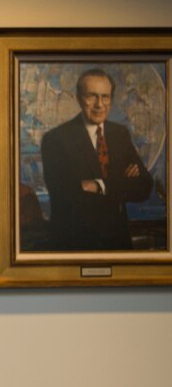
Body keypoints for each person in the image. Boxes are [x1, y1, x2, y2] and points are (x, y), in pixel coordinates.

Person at [40, 68, 154, 251]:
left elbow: (144, 186)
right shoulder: (56, 140)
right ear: (79, 98)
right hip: (75, 246)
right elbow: (65, 195)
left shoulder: (120, 135)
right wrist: (122, 183)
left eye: (105, 97)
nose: (99, 104)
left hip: (118, 244)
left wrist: (100, 186)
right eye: (91, 96)